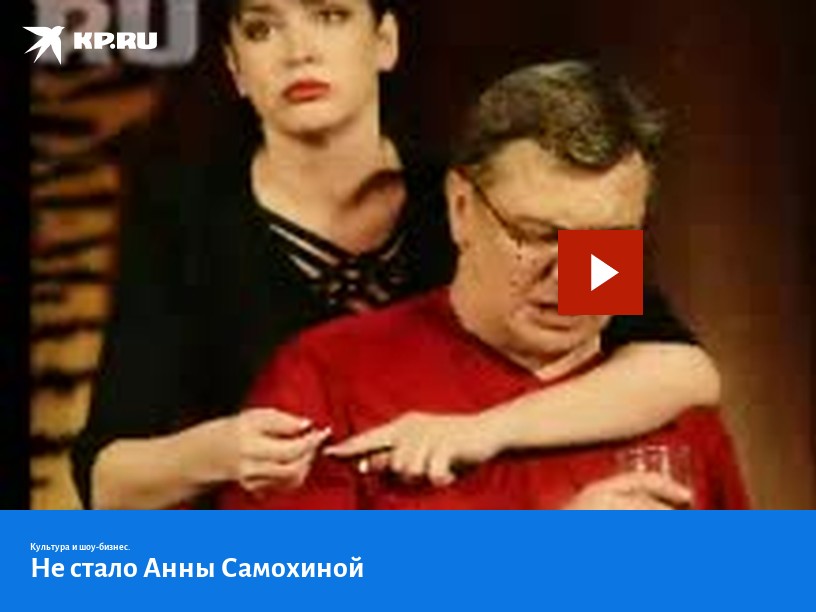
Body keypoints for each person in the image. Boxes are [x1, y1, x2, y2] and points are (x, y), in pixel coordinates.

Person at [72, 0, 720, 510]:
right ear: (235, 67)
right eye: (263, 28)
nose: (299, 51)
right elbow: (105, 483)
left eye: (330, 15)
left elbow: (681, 368)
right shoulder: (184, 222)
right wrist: (221, 451)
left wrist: (481, 431)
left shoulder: (493, 199)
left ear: (384, 41)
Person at [220, 60, 749, 510]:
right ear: (460, 209)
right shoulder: (326, 377)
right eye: (537, 235)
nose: (571, 276)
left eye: (606, 240)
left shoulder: (676, 411)